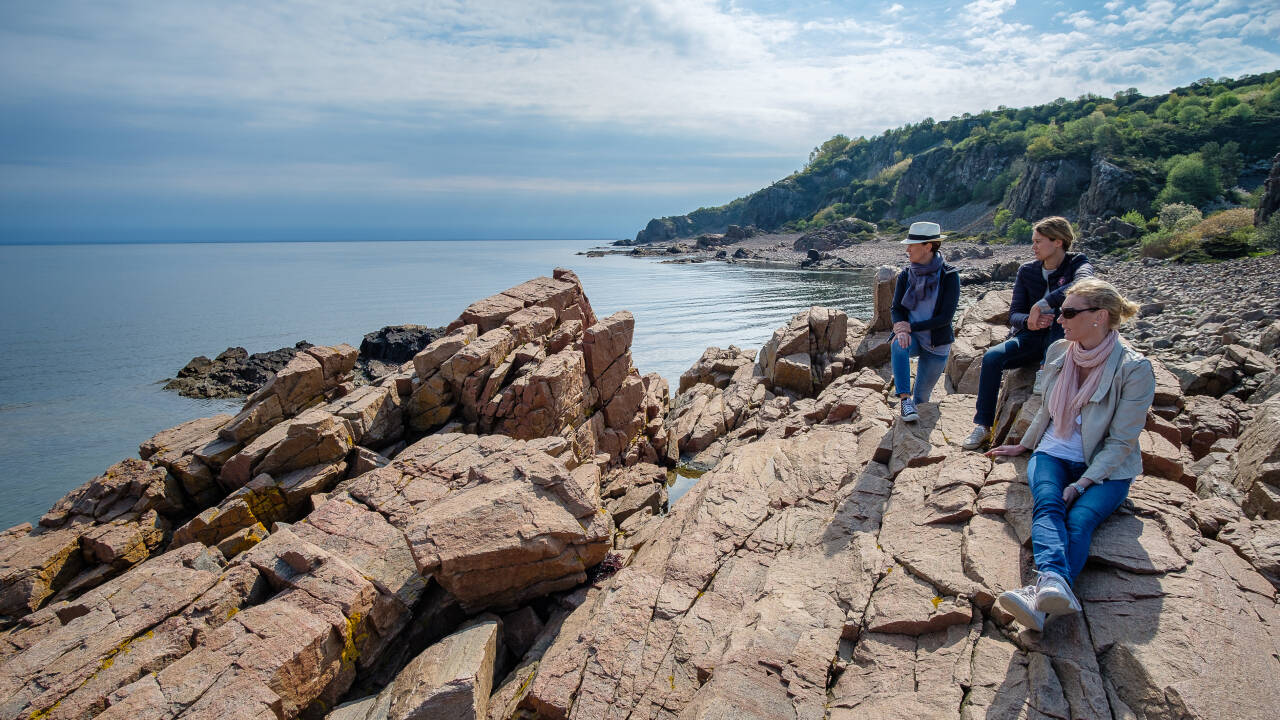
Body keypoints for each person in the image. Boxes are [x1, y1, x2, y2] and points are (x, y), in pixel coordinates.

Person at [986, 278, 1153, 632]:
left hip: (1107, 467)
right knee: (1048, 504)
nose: (1059, 318)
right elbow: (1044, 407)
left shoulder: (1134, 368)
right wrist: (1025, 444)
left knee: (1079, 520)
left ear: (1100, 317)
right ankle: (1052, 586)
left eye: (1069, 312)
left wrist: (1083, 483)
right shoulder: (1060, 350)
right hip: (1053, 452)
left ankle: (1040, 596)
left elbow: (1123, 440)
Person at [962, 217, 1094, 449]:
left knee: (1059, 321)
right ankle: (983, 425)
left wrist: (1043, 303)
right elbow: (1014, 314)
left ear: (1058, 242)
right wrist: (1029, 322)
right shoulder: (1027, 271)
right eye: (1033, 241)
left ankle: (1047, 370)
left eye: (1038, 241)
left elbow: (1085, 283)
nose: (1033, 246)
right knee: (992, 357)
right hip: (1031, 337)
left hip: (1063, 336)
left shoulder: (1077, 263)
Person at [890, 221, 960, 422]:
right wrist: (901, 328)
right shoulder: (906, 274)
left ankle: (913, 416)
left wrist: (910, 326)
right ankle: (904, 399)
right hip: (913, 338)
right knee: (898, 343)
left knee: (921, 399)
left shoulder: (949, 275)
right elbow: (897, 308)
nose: (907, 249)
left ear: (928, 246)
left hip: (937, 343)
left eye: (912, 245)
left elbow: (945, 318)